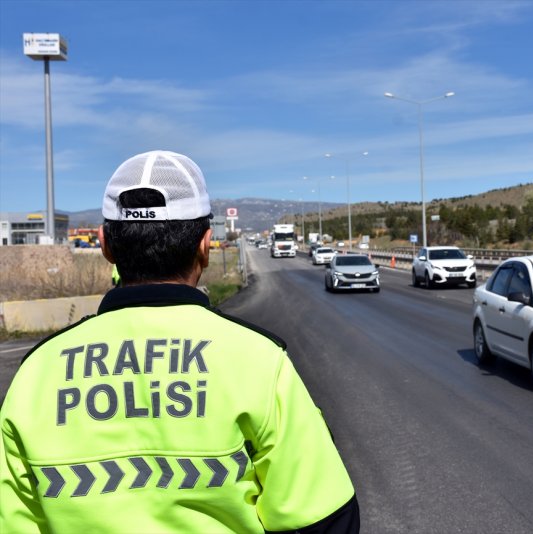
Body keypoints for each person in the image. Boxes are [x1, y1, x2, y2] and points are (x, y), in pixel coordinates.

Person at [0, 150, 359, 533]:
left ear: (105, 245)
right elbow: (324, 521)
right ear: (205, 245)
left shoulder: (37, 373)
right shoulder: (259, 361)